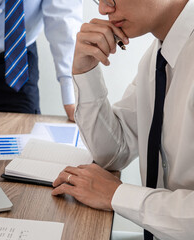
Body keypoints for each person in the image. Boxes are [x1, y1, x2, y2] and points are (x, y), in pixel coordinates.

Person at [51, 0, 194, 239]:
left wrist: (117, 195)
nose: (103, 10)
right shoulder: (159, 54)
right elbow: (114, 152)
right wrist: (84, 70)